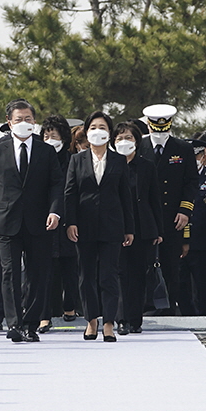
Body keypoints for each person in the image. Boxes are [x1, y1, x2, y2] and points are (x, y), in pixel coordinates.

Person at [0, 99, 63, 343]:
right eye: (18, 120)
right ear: (9, 123)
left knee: (38, 274)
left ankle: (31, 324)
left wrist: (55, 211)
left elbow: (57, 185)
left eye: (28, 119)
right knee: (9, 273)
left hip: (39, 222)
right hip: (6, 222)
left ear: (34, 121)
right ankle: (14, 323)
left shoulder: (46, 151)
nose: (24, 123)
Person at [65, 112, 134, 341]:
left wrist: (129, 228)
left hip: (112, 226)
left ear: (109, 132)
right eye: (93, 126)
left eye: (102, 126)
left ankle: (109, 323)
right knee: (85, 276)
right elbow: (70, 194)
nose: (97, 130)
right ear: (86, 130)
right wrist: (71, 222)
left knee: (108, 275)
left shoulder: (118, 160)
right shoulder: (77, 160)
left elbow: (126, 196)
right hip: (83, 226)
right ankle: (91, 320)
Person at [141, 104, 197, 314]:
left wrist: (185, 210)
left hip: (173, 217)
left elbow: (191, 182)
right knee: (144, 262)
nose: (159, 130)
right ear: (149, 125)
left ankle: (169, 307)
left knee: (171, 265)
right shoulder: (140, 145)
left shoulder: (183, 148)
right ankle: (145, 306)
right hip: (145, 217)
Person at [114, 120, 162, 334]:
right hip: (116, 227)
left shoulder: (146, 165)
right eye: (119, 138)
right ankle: (121, 318)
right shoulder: (111, 164)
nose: (124, 142)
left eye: (129, 138)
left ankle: (135, 318)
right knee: (119, 273)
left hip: (142, 227)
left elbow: (154, 199)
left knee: (139, 274)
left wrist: (158, 230)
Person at [40, 115, 79, 331]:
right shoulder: (40, 158)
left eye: (53, 136)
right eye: (46, 135)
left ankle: (70, 306)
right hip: (45, 221)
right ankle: (46, 312)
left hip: (68, 221)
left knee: (70, 267)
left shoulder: (73, 160)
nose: (49, 139)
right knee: (45, 270)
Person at [180, 132, 206, 315]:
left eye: (196, 155)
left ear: (205, 153)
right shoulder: (179, 177)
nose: (193, 159)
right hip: (180, 239)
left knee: (203, 287)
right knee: (181, 287)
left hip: (204, 241)